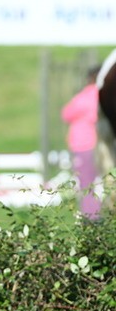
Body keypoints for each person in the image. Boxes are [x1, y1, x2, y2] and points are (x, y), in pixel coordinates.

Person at [62, 67, 101, 222]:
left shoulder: (84, 97)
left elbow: (66, 114)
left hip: (84, 145)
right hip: (100, 144)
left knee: (86, 184)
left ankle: (91, 217)